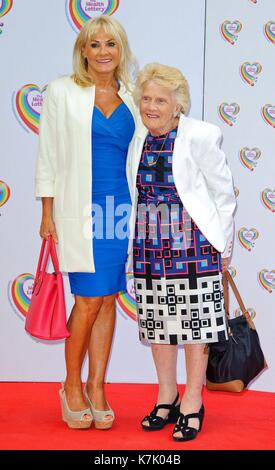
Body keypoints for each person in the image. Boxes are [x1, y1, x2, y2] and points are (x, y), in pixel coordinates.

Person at [35, 16, 137, 429]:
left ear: (120, 50)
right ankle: (71, 385)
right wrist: (46, 213)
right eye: (94, 45)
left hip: (121, 209)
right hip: (80, 209)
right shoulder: (62, 91)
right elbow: (48, 156)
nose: (103, 52)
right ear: (83, 50)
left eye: (110, 44)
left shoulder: (133, 94)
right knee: (89, 299)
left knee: (109, 296)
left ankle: (97, 386)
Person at [127, 63, 236, 441]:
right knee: (158, 326)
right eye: (146, 98)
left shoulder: (202, 135)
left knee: (195, 328)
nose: (151, 106)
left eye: (160, 100)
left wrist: (224, 245)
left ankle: (192, 401)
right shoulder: (138, 136)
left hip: (194, 246)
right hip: (149, 245)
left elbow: (223, 195)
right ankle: (166, 394)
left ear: (178, 105)